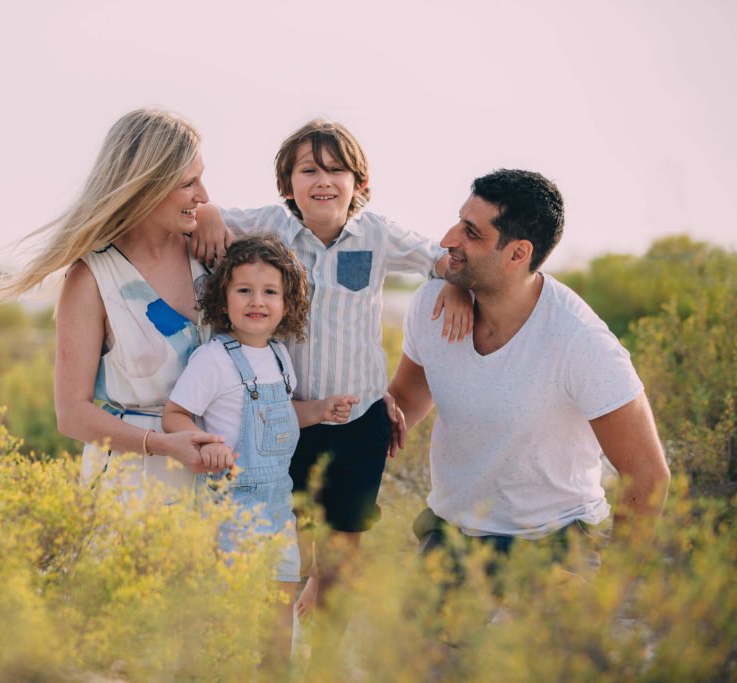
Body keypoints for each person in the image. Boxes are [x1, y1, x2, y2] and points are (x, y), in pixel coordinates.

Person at [193, 118, 474, 615]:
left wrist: (453, 283)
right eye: (308, 170)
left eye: (336, 169)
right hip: (289, 420)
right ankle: (283, 641)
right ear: (288, 184)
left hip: (359, 420)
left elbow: (444, 258)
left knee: (342, 554)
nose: (323, 180)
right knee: (291, 548)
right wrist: (212, 210)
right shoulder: (267, 226)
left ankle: (326, 650)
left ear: (359, 183)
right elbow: (197, 215)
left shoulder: (378, 235)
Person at [387, 169, 671, 573]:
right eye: (459, 221)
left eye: (472, 232)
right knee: (402, 637)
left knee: (544, 638)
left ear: (518, 254)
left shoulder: (581, 342)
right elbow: (404, 402)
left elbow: (647, 475)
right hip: (453, 536)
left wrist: (611, 591)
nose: (449, 238)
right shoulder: (433, 305)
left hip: (556, 543)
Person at [0, 107, 227, 499]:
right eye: (190, 183)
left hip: (223, 485)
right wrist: (164, 445)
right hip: (136, 485)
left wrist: (215, 215)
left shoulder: (211, 251)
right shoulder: (92, 278)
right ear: (147, 185)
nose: (204, 196)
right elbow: (72, 414)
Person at [162, 234, 359, 672]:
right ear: (223, 298)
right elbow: (175, 416)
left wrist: (321, 410)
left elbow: (282, 415)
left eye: (270, 292)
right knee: (229, 610)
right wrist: (205, 445)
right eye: (244, 290)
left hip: (277, 507)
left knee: (278, 609)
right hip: (230, 505)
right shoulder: (213, 359)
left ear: (288, 303)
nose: (258, 301)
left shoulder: (278, 356)